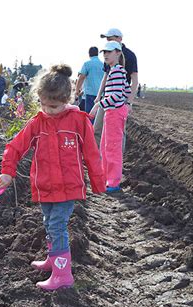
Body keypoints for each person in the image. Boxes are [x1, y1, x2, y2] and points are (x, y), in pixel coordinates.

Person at [0, 65, 105, 291]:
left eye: (53, 106)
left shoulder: (78, 121)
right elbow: (15, 147)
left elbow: (92, 154)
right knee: (49, 223)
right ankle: (53, 259)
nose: (48, 110)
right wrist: (7, 171)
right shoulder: (38, 122)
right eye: (43, 104)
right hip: (44, 185)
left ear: (67, 99)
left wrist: (97, 183)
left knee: (57, 226)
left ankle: (63, 274)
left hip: (68, 187)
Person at [90, 41, 131, 193]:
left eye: (109, 52)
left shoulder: (117, 71)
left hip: (114, 112)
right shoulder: (117, 70)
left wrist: (98, 104)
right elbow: (126, 91)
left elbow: (116, 95)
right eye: (104, 52)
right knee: (105, 146)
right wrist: (125, 105)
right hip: (112, 112)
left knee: (112, 148)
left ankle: (113, 182)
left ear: (118, 53)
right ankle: (106, 178)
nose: (105, 54)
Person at [94, 28, 138, 145]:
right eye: (106, 39)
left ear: (120, 39)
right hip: (107, 97)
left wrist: (129, 102)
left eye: (110, 38)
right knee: (97, 129)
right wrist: (99, 96)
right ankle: (99, 160)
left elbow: (134, 80)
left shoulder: (130, 55)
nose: (107, 40)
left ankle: (117, 160)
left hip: (119, 100)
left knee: (118, 132)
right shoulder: (108, 56)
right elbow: (105, 76)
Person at [75, 47, 104, 114]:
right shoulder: (103, 65)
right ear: (97, 53)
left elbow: (81, 77)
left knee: (90, 115)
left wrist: (77, 90)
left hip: (90, 93)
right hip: (101, 94)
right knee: (97, 116)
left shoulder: (87, 64)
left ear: (89, 54)